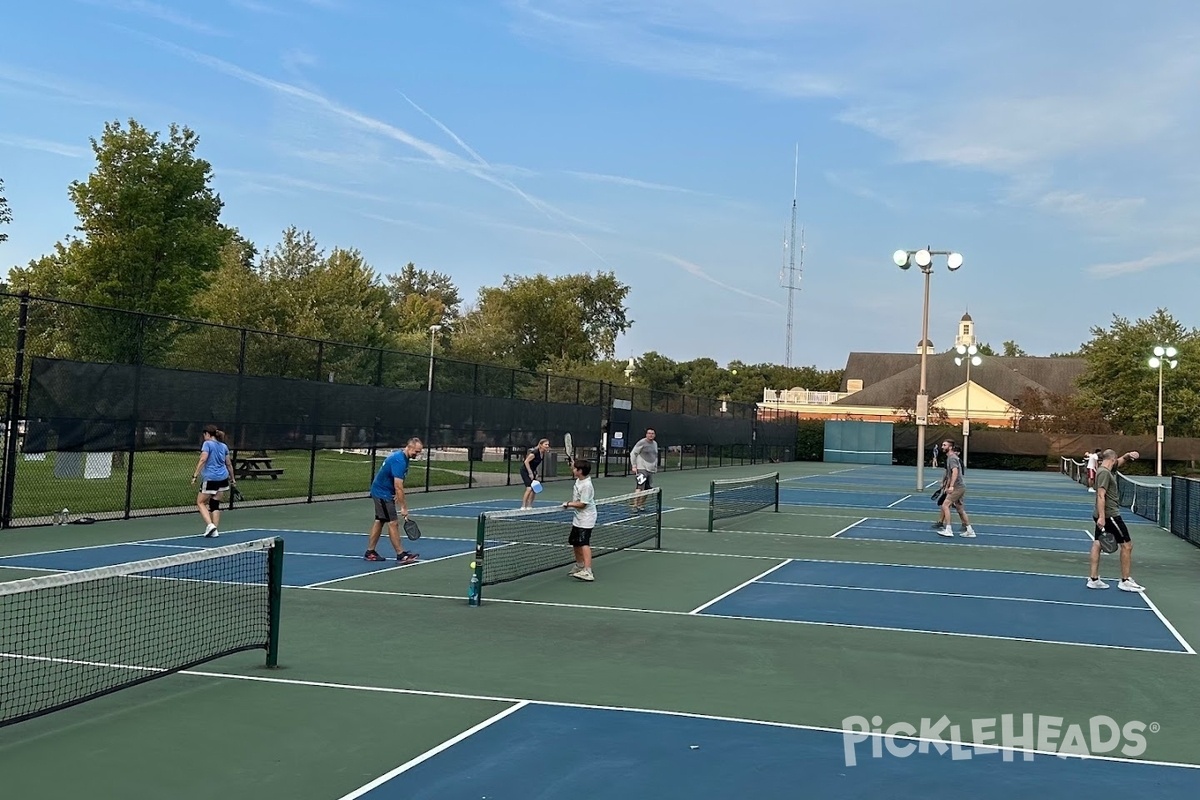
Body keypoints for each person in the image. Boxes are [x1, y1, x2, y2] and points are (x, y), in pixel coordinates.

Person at [1088, 448, 1143, 591]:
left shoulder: (1107, 468)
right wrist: (1102, 517)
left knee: (1097, 544)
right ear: (1111, 460)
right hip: (1110, 515)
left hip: (1103, 514)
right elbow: (1101, 495)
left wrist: (1128, 455)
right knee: (1127, 545)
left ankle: (1093, 579)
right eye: (1115, 461)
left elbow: (1120, 460)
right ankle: (1125, 581)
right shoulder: (1105, 473)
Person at [364, 438, 423, 564]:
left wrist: (396, 493)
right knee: (393, 522)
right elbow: (399, 486)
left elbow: (396, 482)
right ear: (409, 447)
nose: (417, 454)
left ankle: (370, 552)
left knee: (380, 520)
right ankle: (401, 555)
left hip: (383, 491)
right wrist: (403, 507)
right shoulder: (399, 460)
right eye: (416, 452)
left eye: (419, 452)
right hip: (382, 493)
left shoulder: (403, 458)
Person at [191, 425, 236, 538]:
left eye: (204, 435)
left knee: (200, 502)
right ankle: (215, 530)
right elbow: (229, 464)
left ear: (207, 434)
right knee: (215, 504)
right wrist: (232, 478)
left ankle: (210, 525)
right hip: (223, 479)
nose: (204, 437)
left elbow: (203, 459)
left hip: (211, 478)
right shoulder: (224, 446)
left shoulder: (207, 444)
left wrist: (195, 475)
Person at [561, 459, 596, 582]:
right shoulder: (579, 480)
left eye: (575, 468)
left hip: (587, 517)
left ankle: (588, 571)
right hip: (578, 517)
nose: (572, 469)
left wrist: (569, 504)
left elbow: (583, 504)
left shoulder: (586, 485)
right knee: (575, 541)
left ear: (580, 471)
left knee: (584, 542)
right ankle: (580, 565)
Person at [935, 440, 976, 538]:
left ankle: (948, 529)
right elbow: (949, 475)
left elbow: (955, 472)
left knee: (945, 505)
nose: (942, 447)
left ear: (950, 447)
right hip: (960, 487)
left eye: (944, 445)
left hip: (958, 487)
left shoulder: (952, 458)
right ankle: (970, 530)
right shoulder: (950, 458)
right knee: (960, 509)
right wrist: (947, 486)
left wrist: (952, 486)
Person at [630, 428, 658, 512]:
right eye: (649, 433)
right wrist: (634, 466)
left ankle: (640, 505)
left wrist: (655, 467)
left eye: (652, 433)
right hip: (641, 468)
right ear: (646, 434)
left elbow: (655, 456)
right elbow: (633, 453)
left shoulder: (655, 444)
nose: (651, 435)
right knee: (640, 486)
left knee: (648, 489)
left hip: (650, 469)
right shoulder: (641, 442)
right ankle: (634, 505)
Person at [520, 439, 551, 509]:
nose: (547, 446)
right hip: (525, 470)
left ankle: (529, 505)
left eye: (548, 444)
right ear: (540, 445)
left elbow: (534, 465)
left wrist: (535, 473)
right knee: (529, 488)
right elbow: (526, 462)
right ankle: (523, 506)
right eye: (545, 444)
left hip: (532, 471)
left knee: (535, 488)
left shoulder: (542, 453)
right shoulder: (534, 453)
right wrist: (530, 473)